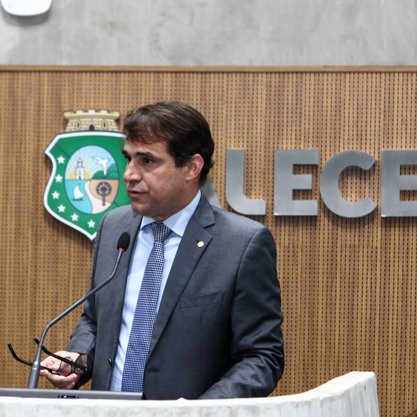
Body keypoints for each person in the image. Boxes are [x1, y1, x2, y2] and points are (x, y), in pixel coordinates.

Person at [41, 100, 284, 400]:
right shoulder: (114, 227)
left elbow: (262, 356)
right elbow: (94, 320)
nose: (129, 174)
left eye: (147, 161)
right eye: (129, 159)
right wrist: (79, 359)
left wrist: (203, 410)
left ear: (191, 167)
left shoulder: (242, 244)